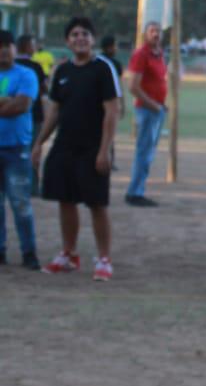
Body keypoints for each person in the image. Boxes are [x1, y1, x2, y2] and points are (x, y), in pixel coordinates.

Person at [33, 15, 120, 281]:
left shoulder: (103, 68)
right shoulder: (62, 71)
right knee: (65, 200)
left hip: (93, 147)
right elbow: (55, 111)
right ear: (67, 41)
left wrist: (104, 150)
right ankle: (69, 254)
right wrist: (39, 143)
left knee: (96, 203)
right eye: (74, 35)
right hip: (65, 147)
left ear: (92, 39)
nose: (80, 38)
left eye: (84, 34)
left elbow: (112, 112)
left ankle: (104, 259)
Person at [0, 30, 40, 270]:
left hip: (17, 150)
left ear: (15, 49)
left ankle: (29, 252)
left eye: (8, 45)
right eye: (0, 45)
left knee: (21, 203)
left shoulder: (27, 74)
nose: (4, 49)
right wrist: (7, 100)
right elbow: (12, 103)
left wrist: (10, 102)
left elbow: (22, 105)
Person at [125, 21, 167, 206]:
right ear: (145, 34)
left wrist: (161, 106)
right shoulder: (141, 54)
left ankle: (138, 189)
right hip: (147, 109)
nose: (156, 34)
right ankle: (134, 192)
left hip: (157, 109)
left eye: (158, 31)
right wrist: (153, 105)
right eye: (152, 31)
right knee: (144, 152)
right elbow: (133, 86)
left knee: (149, 152)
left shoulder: (159, 54)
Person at [16, 33, 48, 192]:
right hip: (34, 114)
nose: (35, 47)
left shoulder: (11, 65)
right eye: (33, 44)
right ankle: (33, 186)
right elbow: (44, 89)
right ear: (27, 47)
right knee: (34, 149)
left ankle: (14, 184)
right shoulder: (35, 67)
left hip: (13, 116)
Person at [100, 35, 125, 168]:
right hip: (110, 102)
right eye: (115, 46)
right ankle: (110, 159)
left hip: (97, 103)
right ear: (109, 47)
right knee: (109, 130)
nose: (116, 49)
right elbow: (118, 87)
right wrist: (122, 103)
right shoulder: (115, 64)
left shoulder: (96, 60)